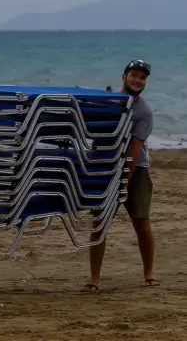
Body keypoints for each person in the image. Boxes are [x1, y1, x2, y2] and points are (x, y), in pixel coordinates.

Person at [83, 59, 157, 292]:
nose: (138, 80)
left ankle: (149, 273)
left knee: (141, 221)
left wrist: (124, 182)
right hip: (106, 165)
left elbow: (135, 151)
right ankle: (95, 278)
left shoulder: (144, 112)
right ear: (123, 77)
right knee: (100, 222)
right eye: (134, 75)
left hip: (137, 169)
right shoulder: (106, 103)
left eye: (142, 77)